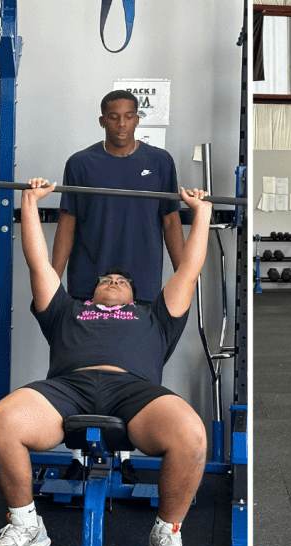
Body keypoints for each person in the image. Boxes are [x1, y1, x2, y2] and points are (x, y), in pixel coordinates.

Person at [0, 179, 212, 546]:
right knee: (1, 420)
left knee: (191, 434)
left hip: (136, 392)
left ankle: (166, 535)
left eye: (122, 281)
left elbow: (189, 270)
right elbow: (39, 262)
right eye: (106, 279)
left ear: (134, 296)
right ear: (90, 294)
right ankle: (25, 525)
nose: (113, 281)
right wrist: (29, 202)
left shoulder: (155, 316)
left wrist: (202, 212)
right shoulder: (65, 310)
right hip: (65, 389)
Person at [52, 90, 185, 479]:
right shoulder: (80, 163)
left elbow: (171, 221)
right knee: (77, 369)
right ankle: (78, 458)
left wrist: (183, 276)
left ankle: (124, 457)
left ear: (138, 119)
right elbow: (68, 223)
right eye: (114, 117)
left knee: (134, 371)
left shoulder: (160, 162)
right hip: (86, 283)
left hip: (141, 285)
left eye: (128, 116)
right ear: (102, 121)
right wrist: (51, 278)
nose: (122, 124)